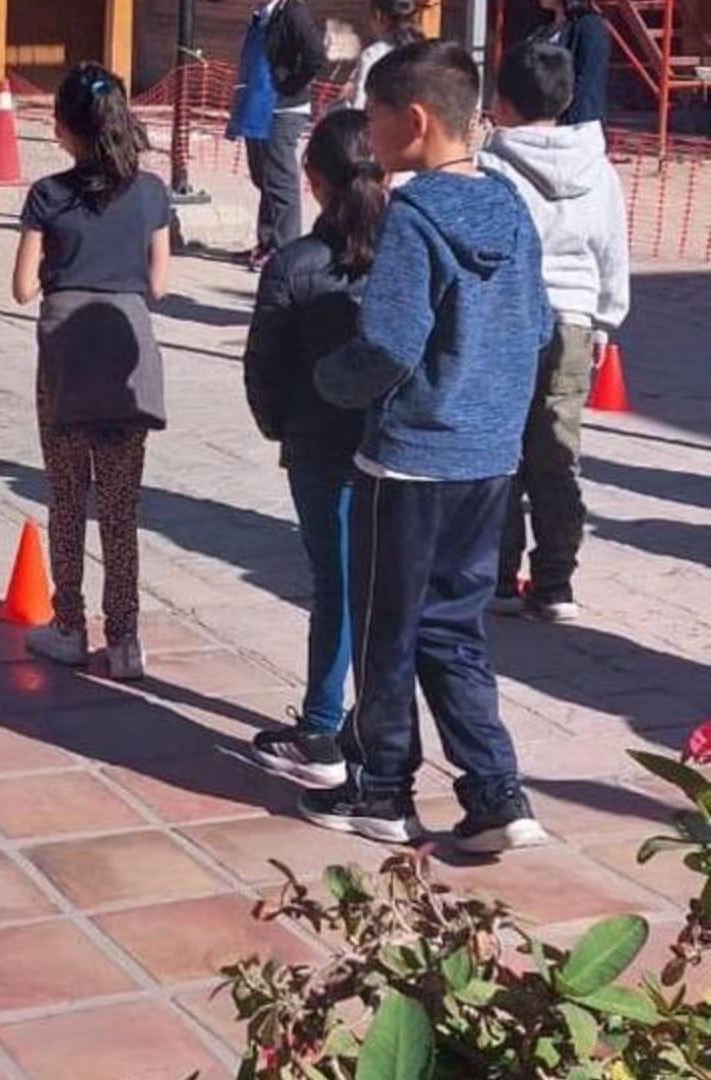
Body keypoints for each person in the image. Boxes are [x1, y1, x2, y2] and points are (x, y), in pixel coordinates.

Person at [309, 40, 554, 853]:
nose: (365, 133)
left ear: (412, 122)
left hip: (410, 459)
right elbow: (541, 327)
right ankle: (496, 795)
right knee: (455, 628)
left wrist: (329, 382)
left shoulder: (412, 218)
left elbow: (387, 344)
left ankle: (383, 791)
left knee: (389, 632)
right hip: (488, 458)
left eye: (372, 116)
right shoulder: (511, 207)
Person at [10, 63, 170, 682]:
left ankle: (70, 625)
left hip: (66, 361)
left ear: (64, 129)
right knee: (121, 506)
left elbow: (23, 286)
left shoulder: (48, 195)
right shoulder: (152, 192)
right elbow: (159, 283)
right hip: (128, 356)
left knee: (68, 496)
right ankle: (126, 638)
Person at [241, 109, 382, 787]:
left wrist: (280, 425)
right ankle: (379, 725)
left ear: (312, 179)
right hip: (395, 448)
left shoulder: (295, 264)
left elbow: (263, 363)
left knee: (336, 584)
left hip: (319, 446)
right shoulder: (405, 256)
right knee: (386, 589)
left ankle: (324, 726)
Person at [482, 41, 630, 621]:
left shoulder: (491, 165)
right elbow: (611, 252)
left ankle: (497, 578)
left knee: (500, 451)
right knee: (556, 454)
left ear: (502, 100)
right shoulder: (599, 168)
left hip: (506, 320)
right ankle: (554, 583)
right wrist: (604, 323)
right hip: (572, 321)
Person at [228, 0, 327, 271]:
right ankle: (267, 241)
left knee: (280, 181)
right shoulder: (261, 13)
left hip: (284, 109)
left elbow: (315, 55)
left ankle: (285, 251)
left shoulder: (293, 11)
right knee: (263, 176)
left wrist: (288, 86)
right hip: (257, 105)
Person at [532, 0, 610, 125]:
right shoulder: (543, 29)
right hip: (543, 119)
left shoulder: (589, 25)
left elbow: (585, 77)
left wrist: (558, 117)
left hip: (577, 123)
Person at [348, 0, 427, 109]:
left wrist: (347, 101)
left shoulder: (373, 55)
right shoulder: (426, 50)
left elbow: (359, 107)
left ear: (379, 16)